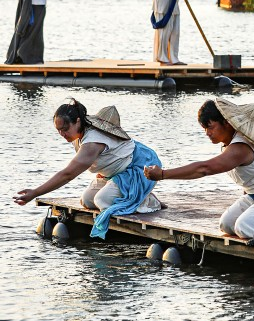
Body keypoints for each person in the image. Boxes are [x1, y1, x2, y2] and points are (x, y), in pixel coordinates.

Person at [143, 99, 254, 240]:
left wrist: (163, 174)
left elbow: (204, 169)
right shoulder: (230, 143)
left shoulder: (240, 148)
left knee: (245, 227)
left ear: (227, 123)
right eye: (204, 128)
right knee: (227, 224)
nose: (207, 133)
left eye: (210, 127)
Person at [13, 100, 164, 239]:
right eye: (58, 130)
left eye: (65, 129)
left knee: (102, 200)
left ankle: (147, 201)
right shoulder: (78, 134)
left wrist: (36, 192)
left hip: (142, 168)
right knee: (87, 200)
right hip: (118, 174)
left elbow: (68, 174)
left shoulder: (93, 140)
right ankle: (134, 195)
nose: (62, 134)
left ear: (77, 121)